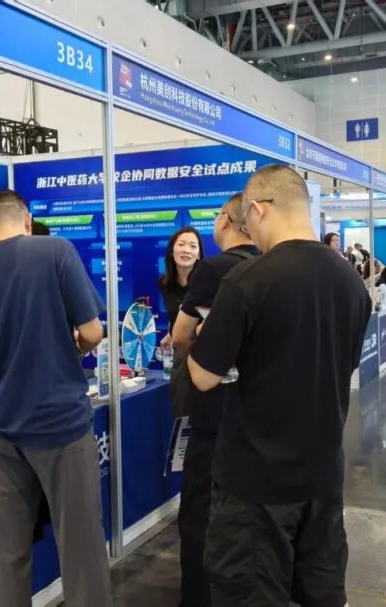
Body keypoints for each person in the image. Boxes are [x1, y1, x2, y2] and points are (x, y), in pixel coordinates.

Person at [187, 165, 371, 605]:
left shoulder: (248, 280)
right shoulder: (351, 281)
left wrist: (206, 337)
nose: (249, 233)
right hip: (323, 477)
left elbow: (202, 375)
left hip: (255, 485)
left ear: (258, 209)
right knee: (322, 594)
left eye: (247, 221)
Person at [0, 190, 112, 606]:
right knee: (80, 546)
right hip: (61, 426)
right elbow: (93, 331)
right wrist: (67, 348)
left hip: (1, 432)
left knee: (9, 550)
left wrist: (2, 362)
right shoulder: (55, 251)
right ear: (27, 220)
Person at [169, 194, 260, 607]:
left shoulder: (216, 268)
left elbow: (181, 337)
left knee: (200, 512)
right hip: (256, 411)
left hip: (212, 409)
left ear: (225, 220)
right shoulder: (269, 265)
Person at [159, 227, 204, 348]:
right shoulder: (164, 283)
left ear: (199, 255)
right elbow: (175, 316)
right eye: (181, 244)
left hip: (203, 351)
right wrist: (170, 335)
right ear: (171, 251)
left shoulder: (207, 284)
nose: (186, 250)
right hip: (179, 351)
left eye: (193, 246)